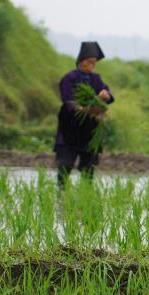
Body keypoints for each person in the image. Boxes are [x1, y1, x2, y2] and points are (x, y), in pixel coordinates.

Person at [55, 41, 114, 187]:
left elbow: (109, 96)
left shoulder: (96, 79)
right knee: (65, 164)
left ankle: (86, 194)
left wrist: (106, 95)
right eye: (90, 62)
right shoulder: (69, 78)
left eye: (94, 63)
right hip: (70, 128)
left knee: (88, 167)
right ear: (82, 61)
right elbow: (68, 101)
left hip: (89, 130)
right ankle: (61, 191)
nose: (92, 66)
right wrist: (81, 108)